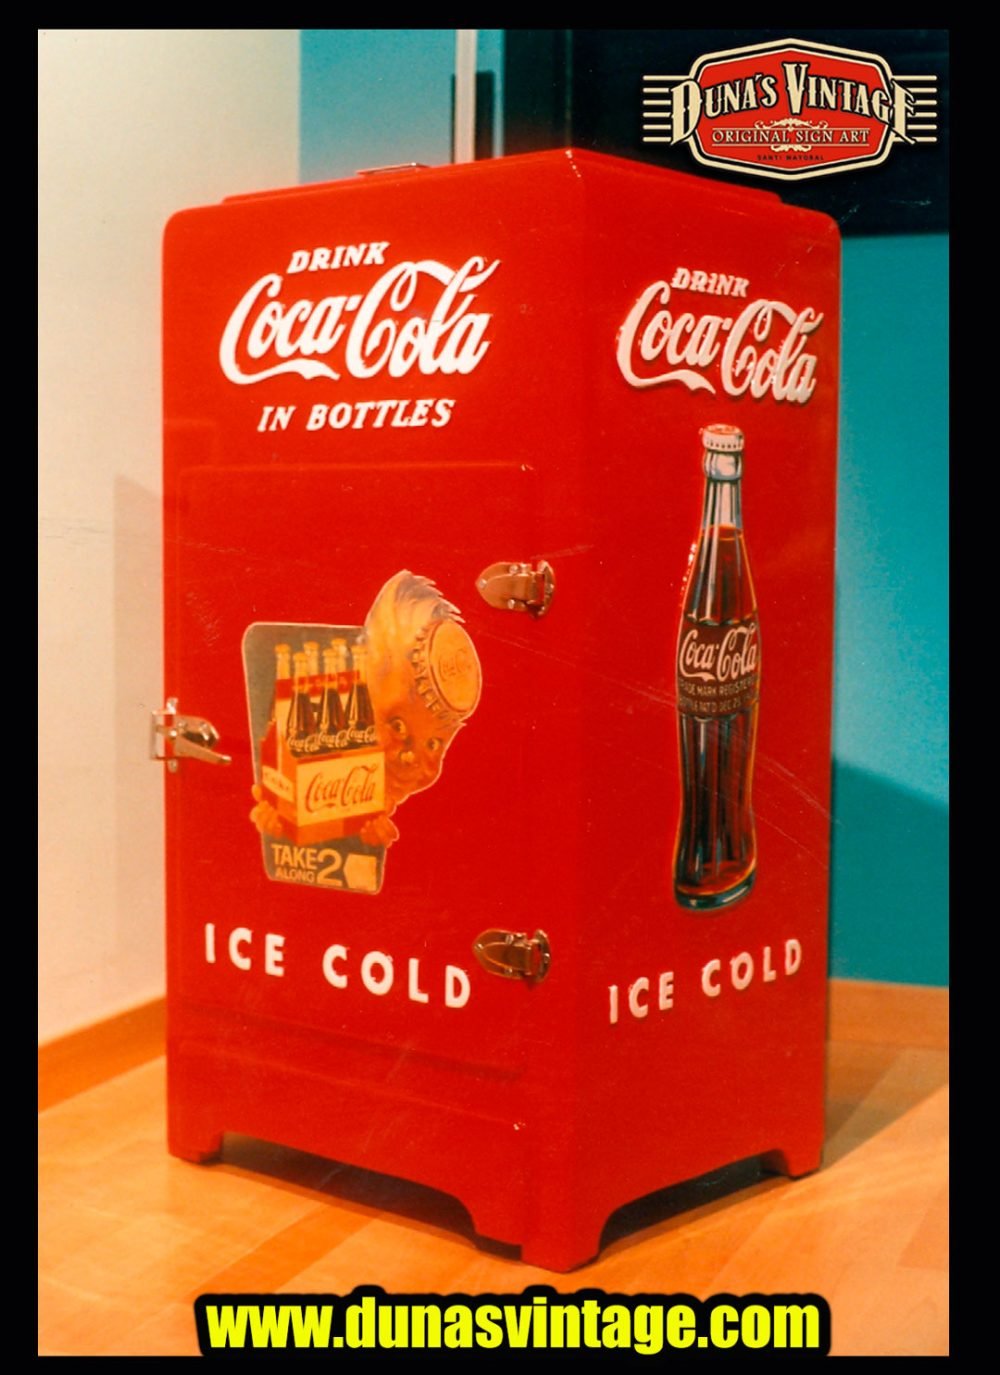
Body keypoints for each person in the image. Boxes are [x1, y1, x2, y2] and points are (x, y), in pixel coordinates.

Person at [250, 570, 481, 848]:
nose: (410, 758)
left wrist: (367, 839)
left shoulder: (406, 803)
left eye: (434, 744)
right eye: (397, 726)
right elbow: (287, 801)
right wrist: (277, 816)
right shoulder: (309, 723)